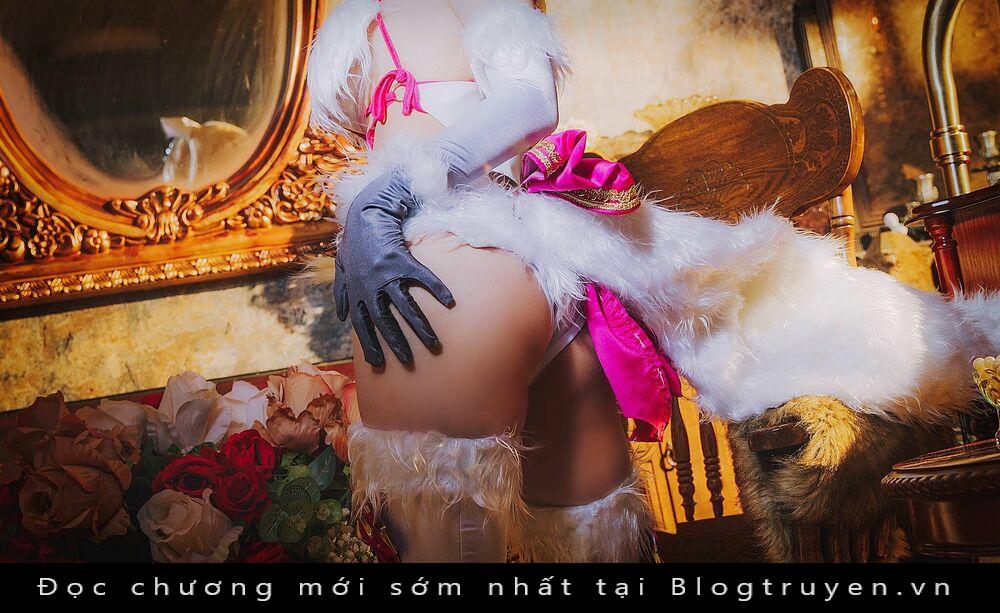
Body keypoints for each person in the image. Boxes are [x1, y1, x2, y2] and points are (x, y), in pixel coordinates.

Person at [307, 0, 1000, 563]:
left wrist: (388, 193)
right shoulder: (381, 19)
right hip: (539, 284)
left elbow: (528, 101)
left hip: (450, 271)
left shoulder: (389, 18)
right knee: (597, 540)